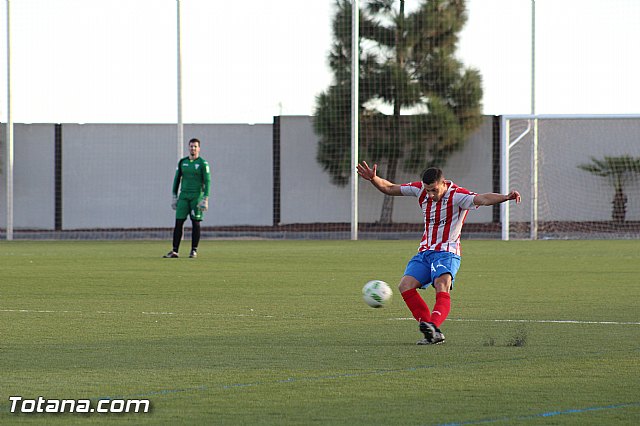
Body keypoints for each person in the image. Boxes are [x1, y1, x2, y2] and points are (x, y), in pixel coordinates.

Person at [357, 161, 521, 345]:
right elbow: (390, 188)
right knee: (405, 285)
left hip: (447, 253)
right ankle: (429, 330)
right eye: (427, 190)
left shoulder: (458, 196)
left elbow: (483, 199)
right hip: (425, 251)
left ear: (443, 183)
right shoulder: (420, 190)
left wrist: (506, 197)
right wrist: (373, 178)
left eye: (434, 190)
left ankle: (434, 327)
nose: (430, 194)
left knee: (441, 284)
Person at [163, 138, 211, 259]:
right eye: (191, 146)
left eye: (195, 146)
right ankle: (175, 251)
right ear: (188, 147)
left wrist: (205, 198)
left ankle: (193, 250)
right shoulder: (182, 162)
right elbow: (176, 179)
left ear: (199, 148)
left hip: (196, 197)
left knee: (196, 223)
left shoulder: (202, 163)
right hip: (183, 197)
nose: (193, 148)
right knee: (178, 222)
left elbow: (208, 181)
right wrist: (174, 195)